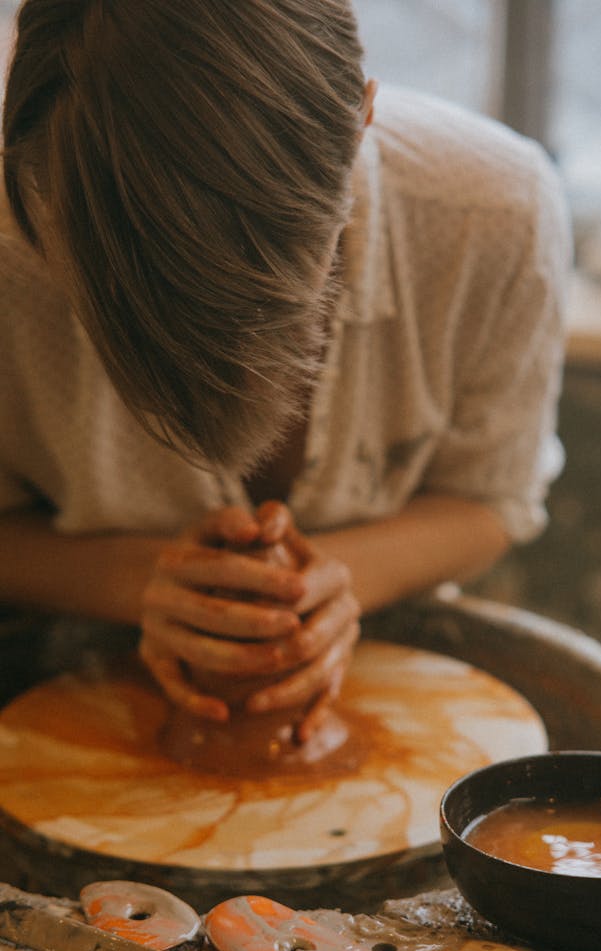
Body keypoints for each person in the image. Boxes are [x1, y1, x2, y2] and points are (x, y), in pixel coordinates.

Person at [0, 0, 570, 737]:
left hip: (386, 672)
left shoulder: (496, 217)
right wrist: (131, 580)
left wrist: (329, 585)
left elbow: (494, 500)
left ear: (362, 116)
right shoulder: (14, 249)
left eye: (264, 305)